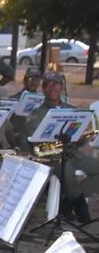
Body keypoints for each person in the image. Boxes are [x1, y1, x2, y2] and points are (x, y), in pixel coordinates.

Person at [25, 71, 99, 222]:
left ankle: (68, 201)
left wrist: (80, 139)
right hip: (50, 157)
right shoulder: (37, 113)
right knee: (68, 172)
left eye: (56, 84)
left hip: (72, 153)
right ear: (43, 89)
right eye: (48, 85)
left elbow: (81, 139)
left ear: (61, 87)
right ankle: (81, 207)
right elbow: (35, 143)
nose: (52, 88)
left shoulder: (73, 109)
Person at [9, 67, 42, 139]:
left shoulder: (43, 100)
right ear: (25, 81)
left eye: (36, 79)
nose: (34, 81)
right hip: (20, 136)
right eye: (31, 79)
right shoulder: (13, 99)